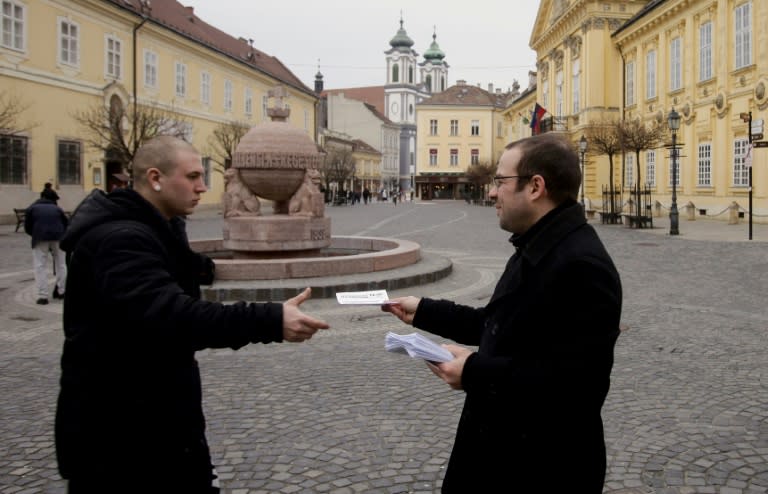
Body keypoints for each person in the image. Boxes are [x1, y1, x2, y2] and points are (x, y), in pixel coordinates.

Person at [55, 136, 330, 493]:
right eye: (193, 176)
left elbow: (170, 267)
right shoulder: (119, 239)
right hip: (121, 436)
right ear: (155, 178)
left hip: (158, 422)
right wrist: (271, 319)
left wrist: (202, 268)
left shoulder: (158, 228)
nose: (203, 187)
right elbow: (174, 316)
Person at [382, 133, 622, 492]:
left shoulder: (581, 264)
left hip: (541, 467)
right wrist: (423, 311)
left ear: (535, 187)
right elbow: (497, 324)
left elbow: (574, 385)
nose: (492, 193)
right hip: (505, 450)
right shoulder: (537, 244)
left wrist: (473, 371)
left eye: (500, 181)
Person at [24, 194, 69, 304]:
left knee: (40, 265)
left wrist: (35, 234)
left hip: (40, 237)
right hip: (59, 237)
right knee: (61, 264)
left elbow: (27, 226)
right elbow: (66, 223)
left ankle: (43, 296)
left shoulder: (32, 208)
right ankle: (62, 291)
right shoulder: (57, 208)